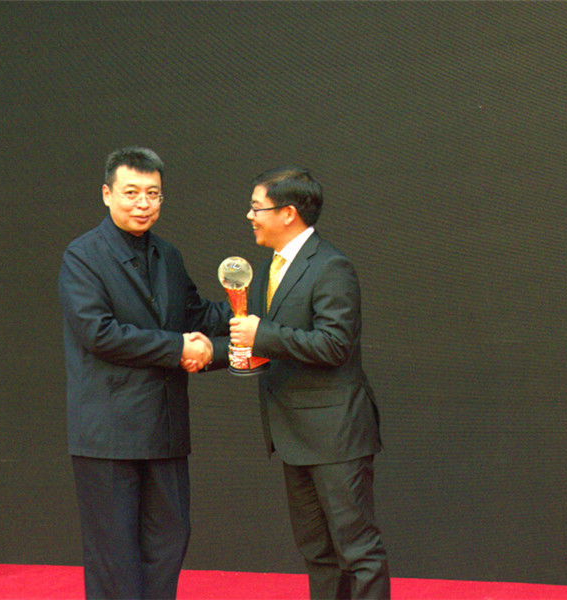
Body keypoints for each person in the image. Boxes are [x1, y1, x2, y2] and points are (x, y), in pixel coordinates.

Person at [58, 147, 228, 599]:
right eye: (131, 192)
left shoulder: (167, 255)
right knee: (114, 555)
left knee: (170, 541)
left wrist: (254, 310)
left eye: (153, 193)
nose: (143, 203)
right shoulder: (83, 255)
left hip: (164, 428)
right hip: (109, 434)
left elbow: (196, 314)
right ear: (107, 194)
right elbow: (100, 333)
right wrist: (178, 348)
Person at [228, 166, 390, 599]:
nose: (250, 216)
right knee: (317, 552)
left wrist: (262, 336)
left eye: (257, 207)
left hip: (336, 436)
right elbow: (255, 333)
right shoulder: (269, 268)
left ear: (288, 213)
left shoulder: (331, 266)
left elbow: (335, 345)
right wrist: (204, 349)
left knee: (357, 551)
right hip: (294, 434)